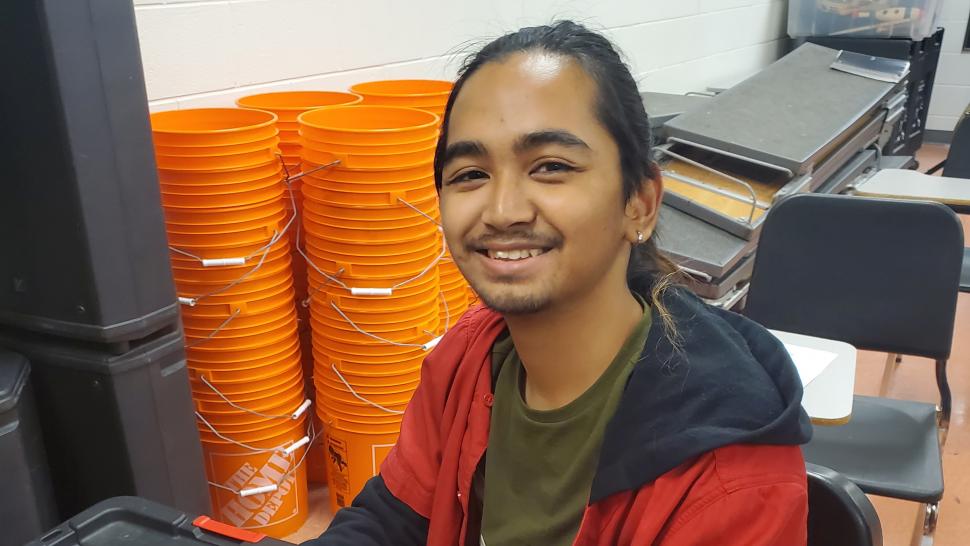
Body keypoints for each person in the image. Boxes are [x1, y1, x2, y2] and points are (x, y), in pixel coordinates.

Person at [305, 20, 812, 546]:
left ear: (640, 202)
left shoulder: (730, 485)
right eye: (470, 174)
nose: (502, 210)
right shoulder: (469, 355)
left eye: (549, 166)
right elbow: (390, 519)